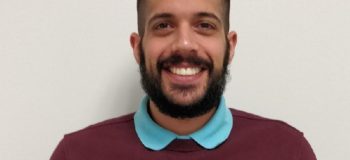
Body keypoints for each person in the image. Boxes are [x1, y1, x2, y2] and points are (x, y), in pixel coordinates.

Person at [50, 0, 317, 159]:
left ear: (230, 46)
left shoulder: (286, 152)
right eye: (163, 25)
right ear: (137, 47)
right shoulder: (77, 154)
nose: (185, 44)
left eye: (205, 25)